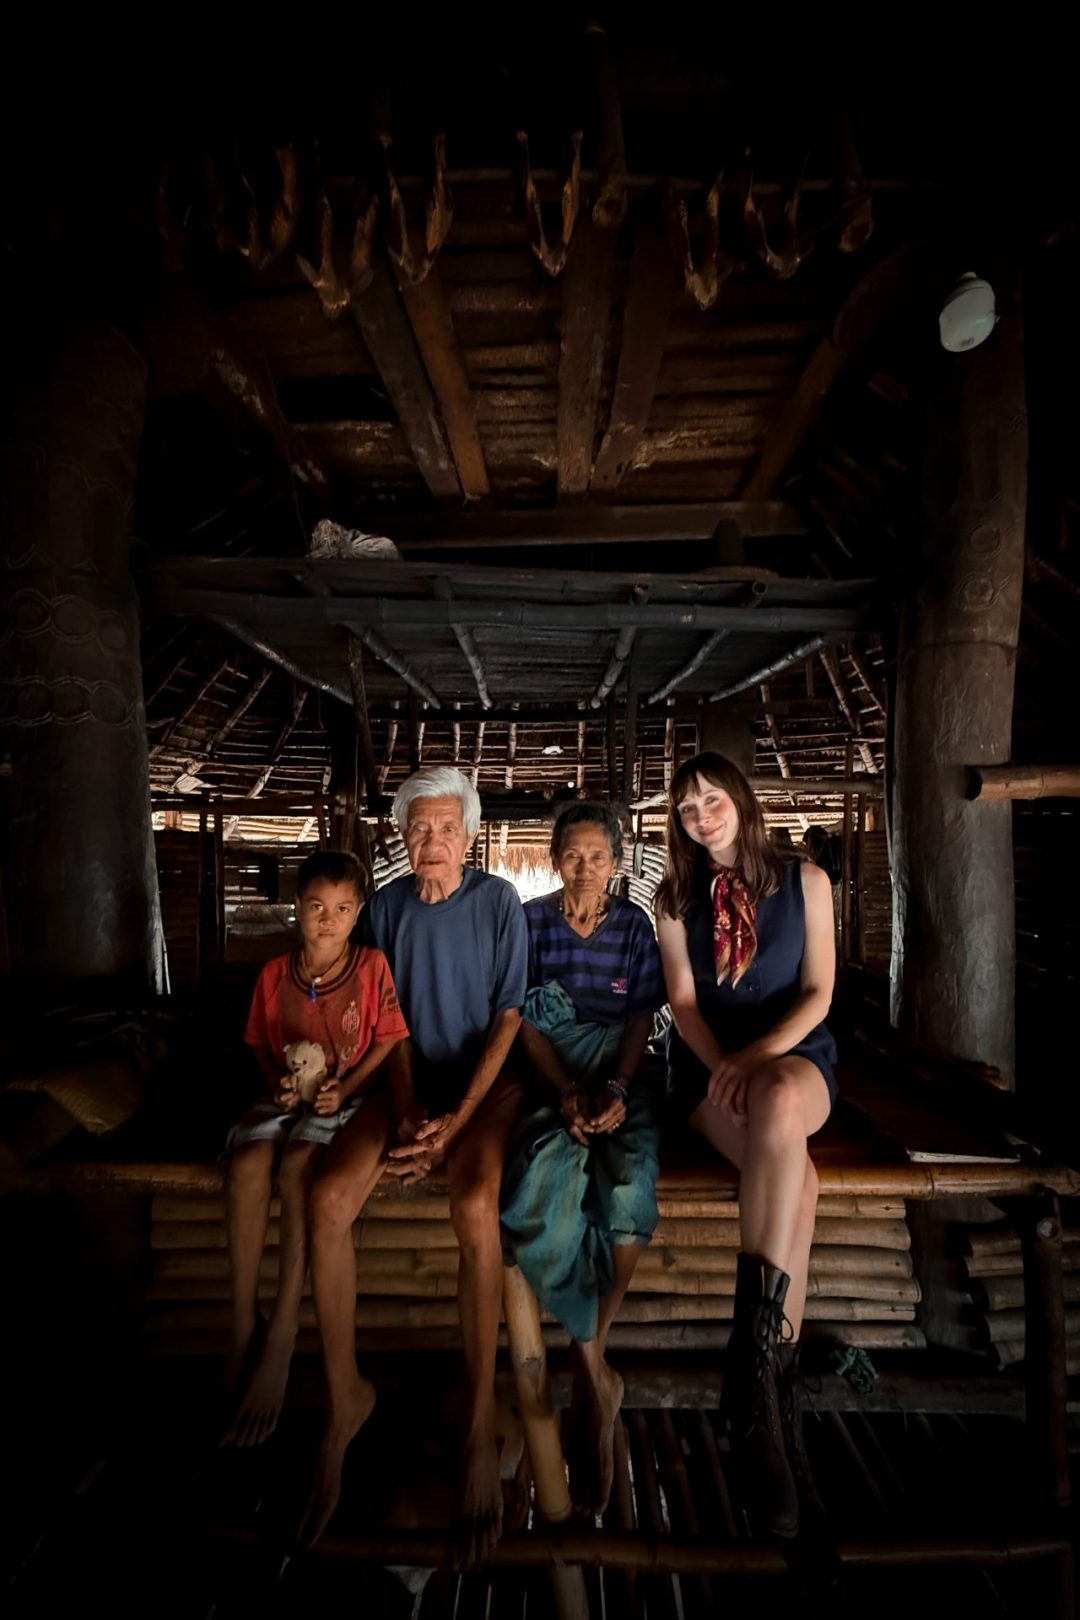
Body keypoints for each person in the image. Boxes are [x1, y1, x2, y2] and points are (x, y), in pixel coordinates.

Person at [302, 767, 528, 1561]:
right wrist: (405, 1112)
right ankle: (344, 1398)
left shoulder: (499, 902)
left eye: (446, 828)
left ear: (470, 836)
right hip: (403, 1086)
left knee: (475, 1206)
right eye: (419, 828)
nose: (432, 841)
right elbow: (384, 1020)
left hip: (483, 1094)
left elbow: (509, 1018)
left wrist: (456, 1119)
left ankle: (478, 1420)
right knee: (328, 1198)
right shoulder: (387, 908)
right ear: (402, 838)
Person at [655, 753, 837, 1539]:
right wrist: (725, 1066)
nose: (701, 816)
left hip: (793, 1057)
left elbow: (819, 994)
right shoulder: (674, 898)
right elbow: (683, 1003)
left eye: (712, 798)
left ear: (740, 798)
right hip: (706, 1070)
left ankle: (750, 1367)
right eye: (687, 807)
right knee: (803, 1181)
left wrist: (755, 1059)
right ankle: (772, 1389)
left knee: (781, 1097)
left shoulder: (807, 882)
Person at [500, 802, 665, 1518]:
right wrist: (566, 1091)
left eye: (599, 856)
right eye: (573, 854)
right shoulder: (530, 923)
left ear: (618, 864)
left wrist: (619, 1089)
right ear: (553, 858)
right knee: (544, 1178)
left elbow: (639, 1019)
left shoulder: (635, 928)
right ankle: (595, 1363)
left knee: (629, 1179)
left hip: (621, 1076)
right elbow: (520, 1019)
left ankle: (589, 1352)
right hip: (551, 1077)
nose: (585, 867)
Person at [221, 849, 409, 1448]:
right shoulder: (276, 975)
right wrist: (277, 1083)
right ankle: (242, 1324)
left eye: (342, 909)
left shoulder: (371, 966)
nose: (328, 920)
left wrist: (345, 1089)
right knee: (247, 1165)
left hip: (345, 1104)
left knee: (301, 1163)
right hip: (286, 1097)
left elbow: (388, 1039)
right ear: (296, 908)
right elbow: (258, 1040)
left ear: (359, 913)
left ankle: (280, 1332)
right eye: (317, 907)